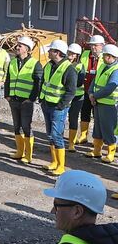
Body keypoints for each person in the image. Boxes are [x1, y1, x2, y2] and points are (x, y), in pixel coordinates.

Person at [40, 39, 78, 176]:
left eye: (51, 50)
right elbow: (44, 83)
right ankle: (54, 162)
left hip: (58, 107)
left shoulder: (69, 69)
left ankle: (61, 166)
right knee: (50, 134)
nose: (48, 52)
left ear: (57, 53)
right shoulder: (49, 65)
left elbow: (71, 91)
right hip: (47, 103)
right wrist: (41, 98)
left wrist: (61, 106)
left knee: (57, 135)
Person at [6, 36, 44, 164]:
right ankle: (19, 151)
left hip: (26, 101)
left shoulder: (35, 64)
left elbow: (38, 83)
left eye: (20, 46)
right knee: (17, 126)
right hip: (14, 99)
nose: (17, 47)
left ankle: (28, 155)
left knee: (26, 126)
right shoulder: (12, 62)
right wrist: (7, 95)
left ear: (27, 49)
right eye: (17, 45)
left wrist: (31, 99)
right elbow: (8, 79)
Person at [89, 43, 118, 163]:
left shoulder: (116, 70)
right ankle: (97, 150)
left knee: (108, 128)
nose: (103, 57)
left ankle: (110, 153)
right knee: (98, 127)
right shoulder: (103, 66)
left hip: (108, 104)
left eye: (105, 55)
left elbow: (109, 88)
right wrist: (91, 93)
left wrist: (94, 96)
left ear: (111, 57)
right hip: (98, 102)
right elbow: (94, 82)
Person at [77, 35, 106, 146]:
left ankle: (98, 139)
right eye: (92, 45)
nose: (93, 48)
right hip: (85, 90)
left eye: (96, 45)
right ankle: (83, 135)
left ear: (102, 46)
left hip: (98, 92)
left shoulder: (106, 57)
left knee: (97, 116)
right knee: (84, 112)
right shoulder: (85, 55)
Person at [65, 44, 85, 152]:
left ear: (77, 55)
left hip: (77, 97)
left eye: (72, 53)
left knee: (73, 118)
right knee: (62, 118)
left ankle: (71, 143)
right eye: (69, 52)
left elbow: (79, 82)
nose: (70, 55)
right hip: (66, 96)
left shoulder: (80, 66)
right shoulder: (63, 64)